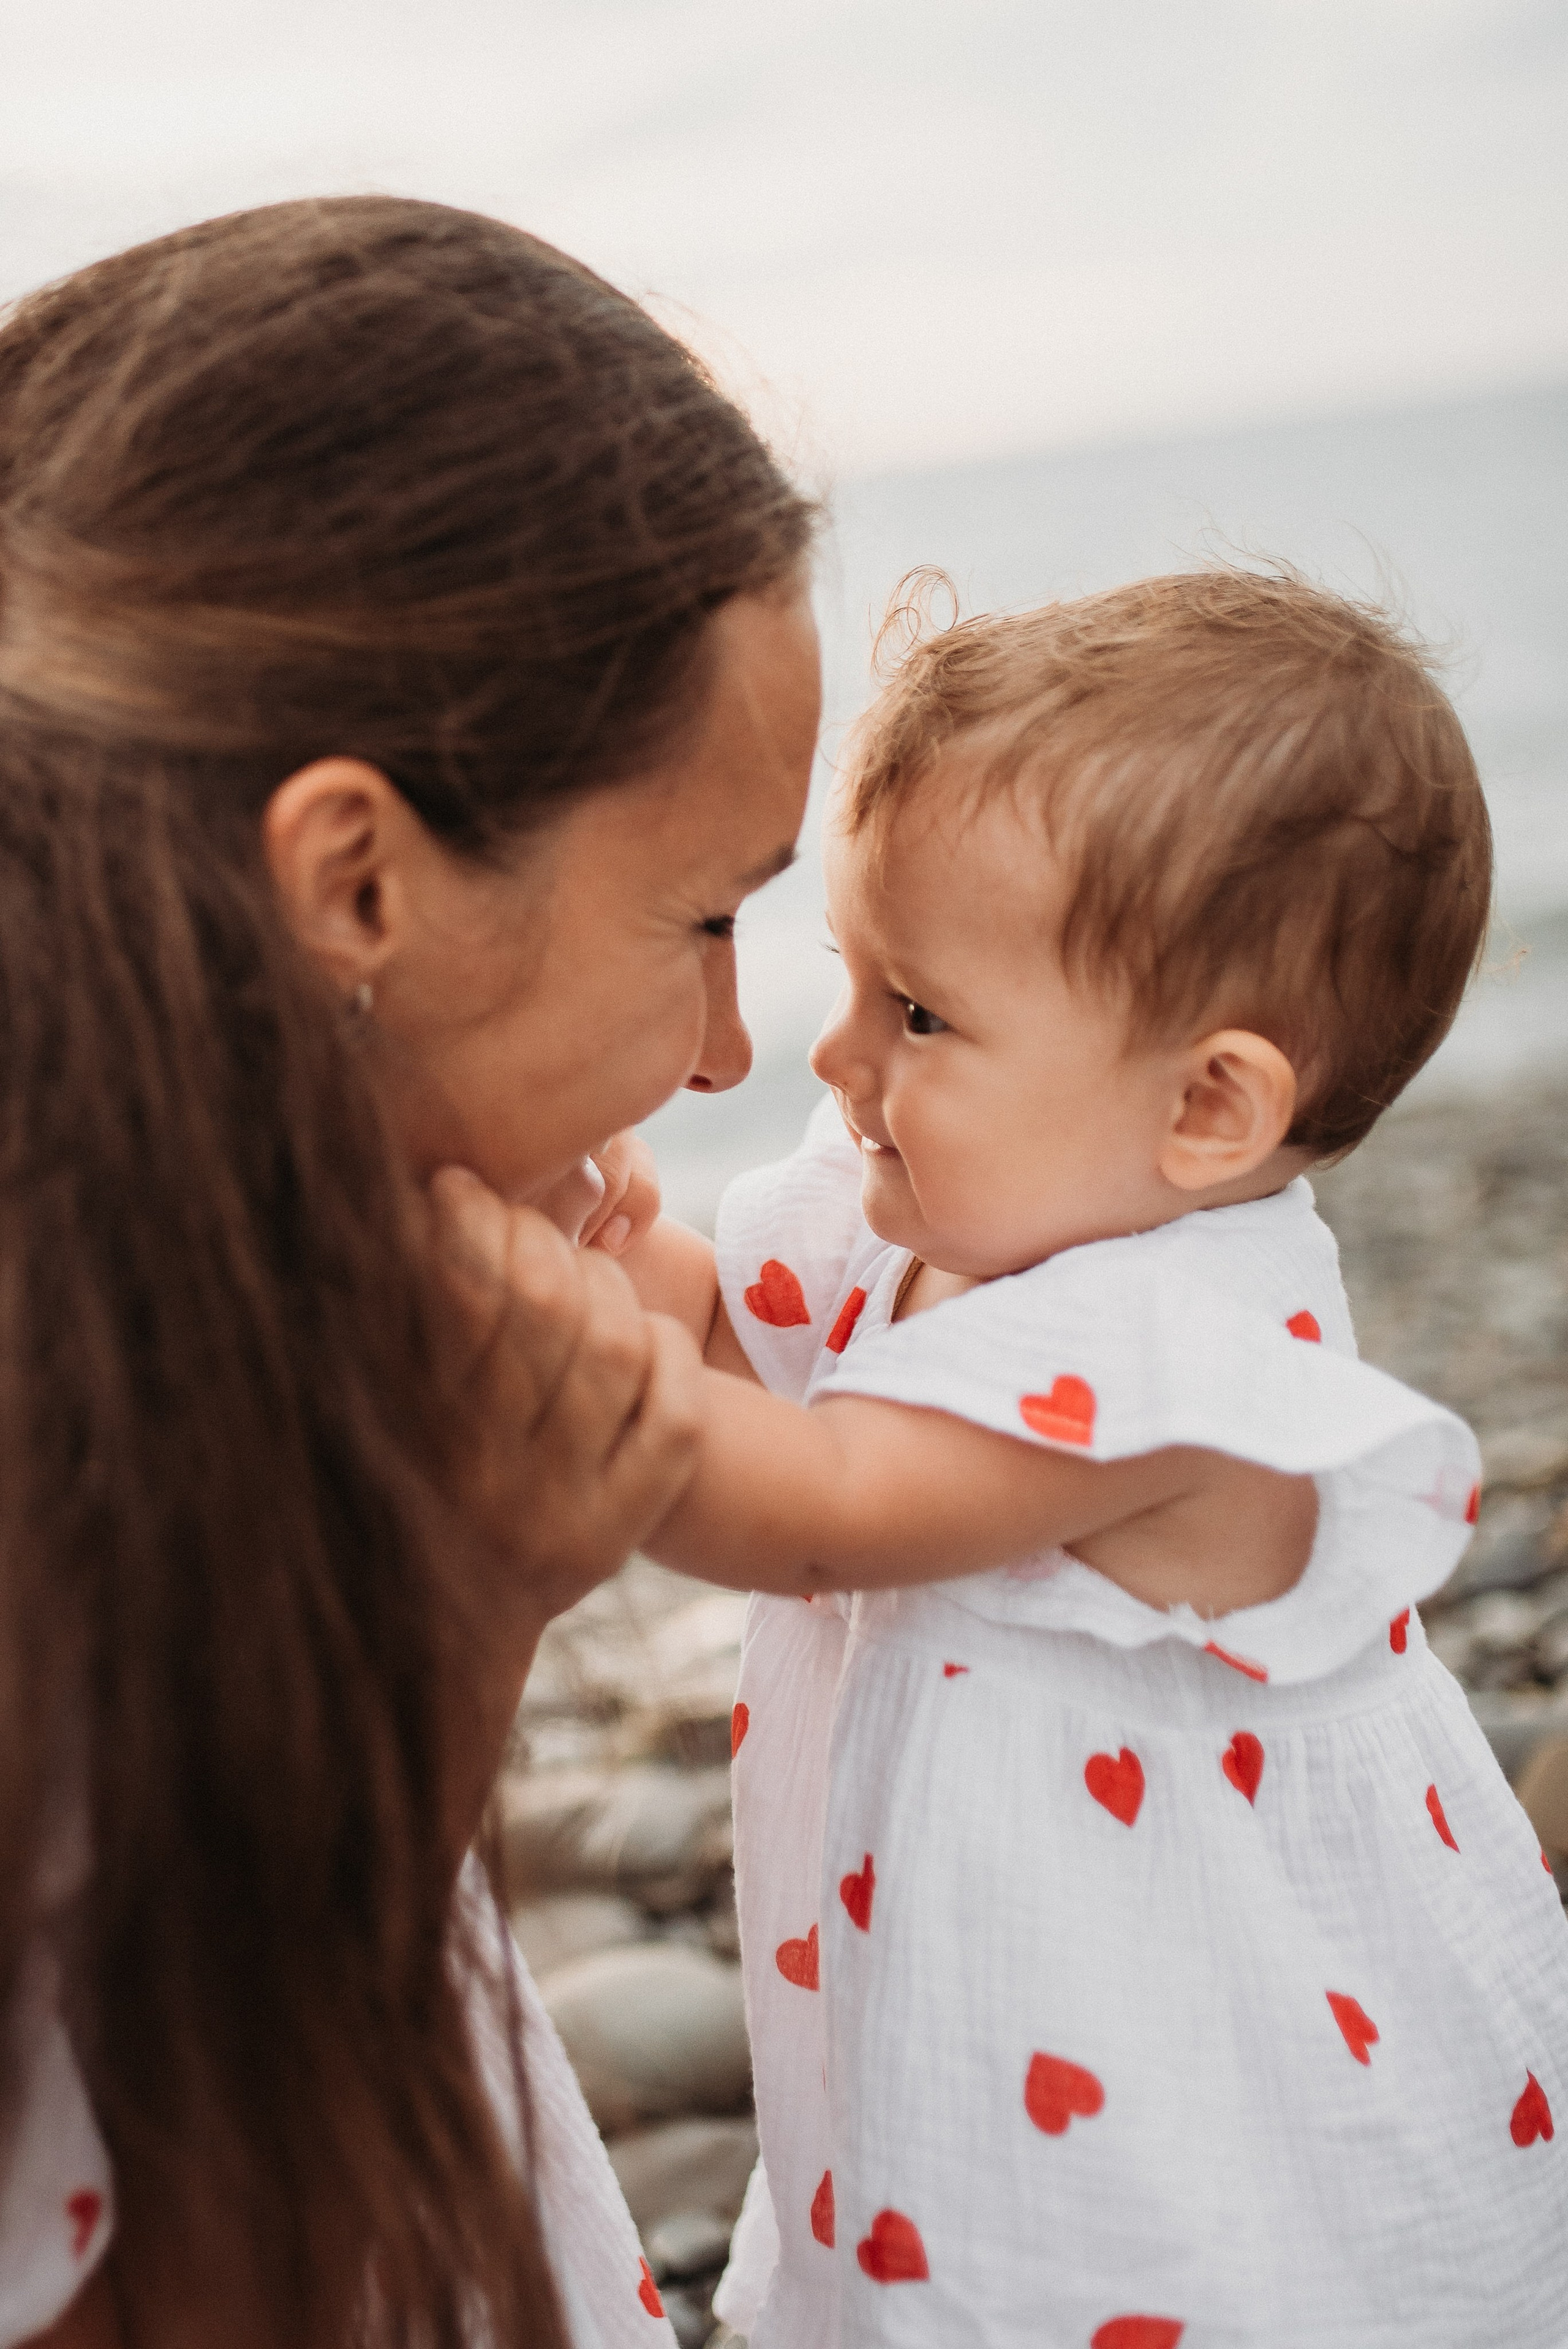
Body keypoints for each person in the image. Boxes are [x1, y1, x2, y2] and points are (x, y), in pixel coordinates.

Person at [0, 197, 820, 2347]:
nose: (729, 1051)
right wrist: (462, 1615)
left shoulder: (170, 1314)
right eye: (704, 917)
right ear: (355, 881)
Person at [619, 571, 1568, 2344]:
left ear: (1207, 1107)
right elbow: (728, 1343)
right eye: (853, 975)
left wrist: (541, 1365)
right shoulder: (932, 1212)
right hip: (981, 2010)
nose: (836, 1053)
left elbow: (813, 1508)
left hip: (1195, 2082)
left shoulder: (1176, 1358)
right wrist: (605, 1251)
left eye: (919, 1014)